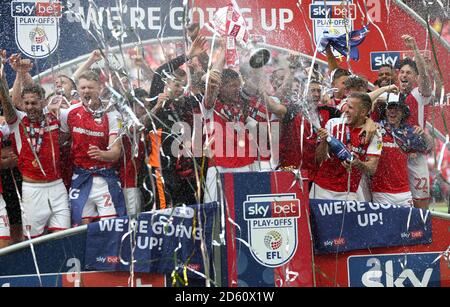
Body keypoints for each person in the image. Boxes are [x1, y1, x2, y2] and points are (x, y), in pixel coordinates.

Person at [0, 52, 71, 238]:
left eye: (34, 102)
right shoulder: (18, 122)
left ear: (43, 102)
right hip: (32, 191)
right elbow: (8, 103)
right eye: (27, 103)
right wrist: (2, 80)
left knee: (63, 238)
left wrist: (23, 73)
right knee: (34, 242)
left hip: (58, 188)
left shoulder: (55, 117)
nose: (30, 106)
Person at [60, 70, 126, 226]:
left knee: (111, 227)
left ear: (100, 88)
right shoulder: (68, 114)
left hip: (106, 178)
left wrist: (102, 154)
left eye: (90, 87)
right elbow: (60, 141)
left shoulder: (113, 115)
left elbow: (116, 152)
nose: (86, 91)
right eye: (82, 88)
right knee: (82, 227)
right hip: (80, 178)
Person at [311, 93, 382, 201]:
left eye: (351, 107)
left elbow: (372, 168)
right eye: (346, 106)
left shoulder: (374, 134)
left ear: (363, 112)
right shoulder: (333, 124)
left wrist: (358, 164)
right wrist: (324, 142)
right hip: (322, 188)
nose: (346, 110)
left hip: (348, 193)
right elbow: (318, 158)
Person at [371, 95, 432, 206]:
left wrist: (424, 135)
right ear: (385, 111)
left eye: (397, 108)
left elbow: (428, 147)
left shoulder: (409, 132)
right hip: (380, 191)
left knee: (408, 223)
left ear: (403, 112)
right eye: (390, 107)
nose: (392, 111)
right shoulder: (375, 128)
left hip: (403, 192)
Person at [398, 35, 433, 209]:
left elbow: (425, 77)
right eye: (402, 72)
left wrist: (415, 49)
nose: (404, 75)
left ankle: (422, 235)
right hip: (395, 157)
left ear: (415, 77)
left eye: (409, 73)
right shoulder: (390, 95)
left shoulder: (419, 95)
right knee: (398, 202)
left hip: (416, 157)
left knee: (420, 202)